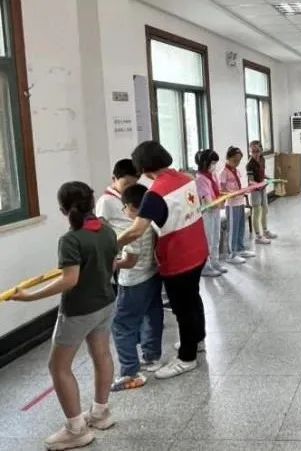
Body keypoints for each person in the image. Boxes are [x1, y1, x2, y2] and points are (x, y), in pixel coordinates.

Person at [10, 182, 118, 450]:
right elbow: (112, 264)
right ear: (92, 202)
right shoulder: (107, 230)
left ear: (62, 209)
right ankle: (100, 413)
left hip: (79, 311)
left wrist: (29, 296)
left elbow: (69, 280)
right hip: (106, 302)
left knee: (58, 367)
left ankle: (76, 430)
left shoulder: (71, 239)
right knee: (102, 354)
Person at [118, 141, 209, 380]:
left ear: (143, 167)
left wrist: (111, 245)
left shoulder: (155, 194)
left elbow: (136, 230)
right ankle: (196, 339)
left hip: (179, 258)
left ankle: (187, 358)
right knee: (193, 298)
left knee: (183, 308)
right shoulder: (185, 178)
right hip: (198, 248)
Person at [110, 184, 164, 391]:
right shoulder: (151, 225)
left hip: (134, 282)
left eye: (124, 208)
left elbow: (130, 261)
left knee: (121, 325)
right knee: (152, 315)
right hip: (152, 275)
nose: (124, 211)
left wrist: (115, 263)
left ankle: (130, 372)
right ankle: (152, 356)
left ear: (131, 207)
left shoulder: (133, 231)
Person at [194, 149, 227, 277]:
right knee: (207, 239)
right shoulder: (200, 179)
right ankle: (205, 266)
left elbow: (218, 191)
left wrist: (226, 196)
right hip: (207, 213)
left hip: (216, 210)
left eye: (215, 163)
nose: (214, 165)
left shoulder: (212, 175)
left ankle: (215, 262)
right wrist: (219, 203)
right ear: (205, 162)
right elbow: (207, 201)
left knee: (216, 237)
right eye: (212, 163)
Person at [221, 146, 255, 264]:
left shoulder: (236, 171)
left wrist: (247, 189)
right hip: (231, 205)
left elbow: (239, 185)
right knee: (233, 229)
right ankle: (231, 254)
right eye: (235, 160)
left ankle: (240, 249)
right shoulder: (224, 172)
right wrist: (231, 194)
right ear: (228, 158)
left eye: (239, 160)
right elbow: (222, 190)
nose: (237, 163)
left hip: (240, 202)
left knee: (241, 227)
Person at [247, 140, 277, 245]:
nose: (255, 154)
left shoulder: (262, 159)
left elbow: (262, 174)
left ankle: (265, 231)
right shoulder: (250, 164)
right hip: (255, 190)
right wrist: (258, 185)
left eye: (257, 151)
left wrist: (269, 179)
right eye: (253, 151)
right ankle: (258, 236)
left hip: (262, 188)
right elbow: (251, 181)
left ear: (261, 150)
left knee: (265, 209)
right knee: (257, 211)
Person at [95, 159, 139, 231]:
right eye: (126, 184)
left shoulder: (136, 195)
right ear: (114, 179)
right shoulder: (105, 201)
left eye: (134, 184)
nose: (130, 188)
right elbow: (101, 226)